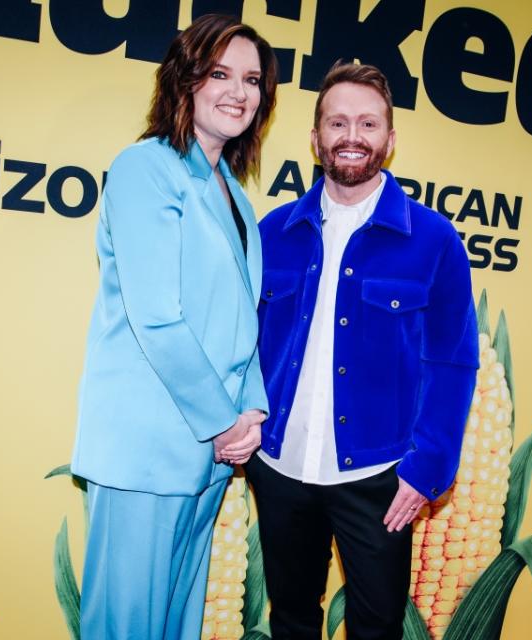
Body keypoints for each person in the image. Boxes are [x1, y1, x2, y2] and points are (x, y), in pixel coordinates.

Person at [246, 62, 479, 640]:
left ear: (390, 140)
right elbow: (241, 344)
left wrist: (429, 468)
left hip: (379, 477)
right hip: (280, 467)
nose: (353, 136)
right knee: (291, 619)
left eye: (368, 123)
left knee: (376, 628)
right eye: (338, 122)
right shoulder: (272, 232)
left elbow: (452, 363)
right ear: (316, 137)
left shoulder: (434, 240)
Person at [70, 14, 276, 640]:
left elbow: (242, 320)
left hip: (210, 456)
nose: (239, 92)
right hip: (147, 450)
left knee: (175, 628)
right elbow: (156, 316)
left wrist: (252, 413)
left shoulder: (235, 194)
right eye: (220, 74)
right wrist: (223, 420)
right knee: (125, 628)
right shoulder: (145, 168)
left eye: (253, 80)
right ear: (185, 81)